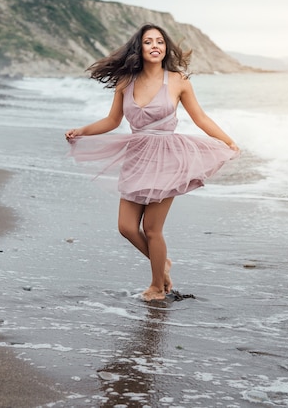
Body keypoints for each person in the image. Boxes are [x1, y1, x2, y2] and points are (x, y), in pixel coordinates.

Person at [65, 23, 239, 302]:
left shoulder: (178, 80)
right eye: (148, 42)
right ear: (140, 48)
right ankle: (163, 264)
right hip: (137, 156)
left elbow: (201, 118)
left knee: (152, 229)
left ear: (166, 47)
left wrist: (228, 141)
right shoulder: (125, 82)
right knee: (126, 227)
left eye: (160, 41)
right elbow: (112, 121)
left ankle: (157, 286)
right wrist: (82, 130)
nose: (155, 45)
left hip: (168, 158)